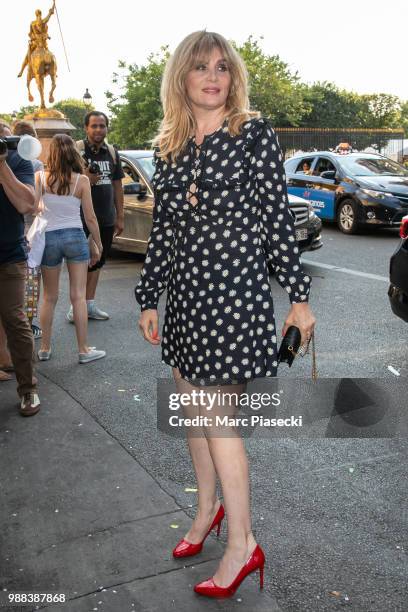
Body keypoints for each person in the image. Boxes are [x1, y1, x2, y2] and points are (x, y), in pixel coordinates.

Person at [135, 31, 316, 599]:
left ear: (232, 77)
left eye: (222, 67)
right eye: (200, 68)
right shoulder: (170, 146)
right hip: (186, 299)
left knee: (219, 421)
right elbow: (164, 232)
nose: (213, 76)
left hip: (233, 298)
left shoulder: (252, 134)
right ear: (181, 79)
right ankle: (207, 509)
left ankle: (243, 545)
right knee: (191, 409)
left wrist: (299, 296)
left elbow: (275, 220)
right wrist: (148, 296)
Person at [35, 134, 106, 364]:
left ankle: (44, 347)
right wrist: (97, 242)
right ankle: (83, 350)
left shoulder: (40, 178)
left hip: (49, 238)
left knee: (49, 296)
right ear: (73, 153)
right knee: (78, 297)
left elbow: (35, 210)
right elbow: (91, 217)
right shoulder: (82, 181)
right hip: (75, 236)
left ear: (52, 153)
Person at [66, 111, 124, 323]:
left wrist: (120, 216)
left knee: (97, 262)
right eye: (94, 126)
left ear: (107, 128)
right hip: (79, 218)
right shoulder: (76, 151)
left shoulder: (112, 152)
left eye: (102, 126)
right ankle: (76, 306)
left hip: (106, 218)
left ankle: (89, 304)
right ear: (86, 128)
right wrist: (86, 179)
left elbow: (118, 186)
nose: (98, 130)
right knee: (80, 263)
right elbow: (63, 182)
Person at [0, 121, 40, 415]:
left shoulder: (15, 159)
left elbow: (28, 204)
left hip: (8, 255)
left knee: (15, 320)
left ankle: (28, 390)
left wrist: (2, 166)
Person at [13, 120, 44, 340]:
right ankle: (30, 324)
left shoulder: (11, 160)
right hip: (31, 227)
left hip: (12, 226)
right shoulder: (36, 164)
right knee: (32, 279)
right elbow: (37, 201)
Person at [18, 1, 56, 78]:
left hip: (38, 42)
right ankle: (53, 69)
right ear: (40, 14)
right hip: (40, 42)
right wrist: (51, 10)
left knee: (27, 57)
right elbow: (48, 17)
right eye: (39, 14)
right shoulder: (41, 21)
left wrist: (34, 37)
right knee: (47, 52)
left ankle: (21, 71)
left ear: (36, 14)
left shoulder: (33, 23)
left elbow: (30, 33)